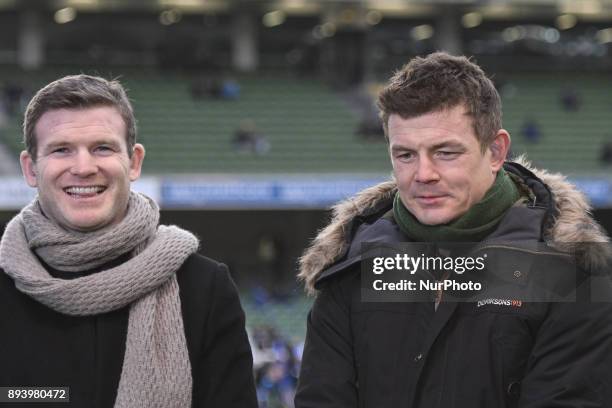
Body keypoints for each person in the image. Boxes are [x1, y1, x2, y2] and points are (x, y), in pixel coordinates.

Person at [295, 52, 612, 407]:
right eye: (405, 155)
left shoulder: (573, 272)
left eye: (445, 152)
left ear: (495, 151)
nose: (423, 174)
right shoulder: (351, 263)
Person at [0, 75, 258, 407]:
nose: (83, 167)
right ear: (30, 168)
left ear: (134, 161)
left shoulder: (203, 287)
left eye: (102, 148)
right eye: (61, 149)